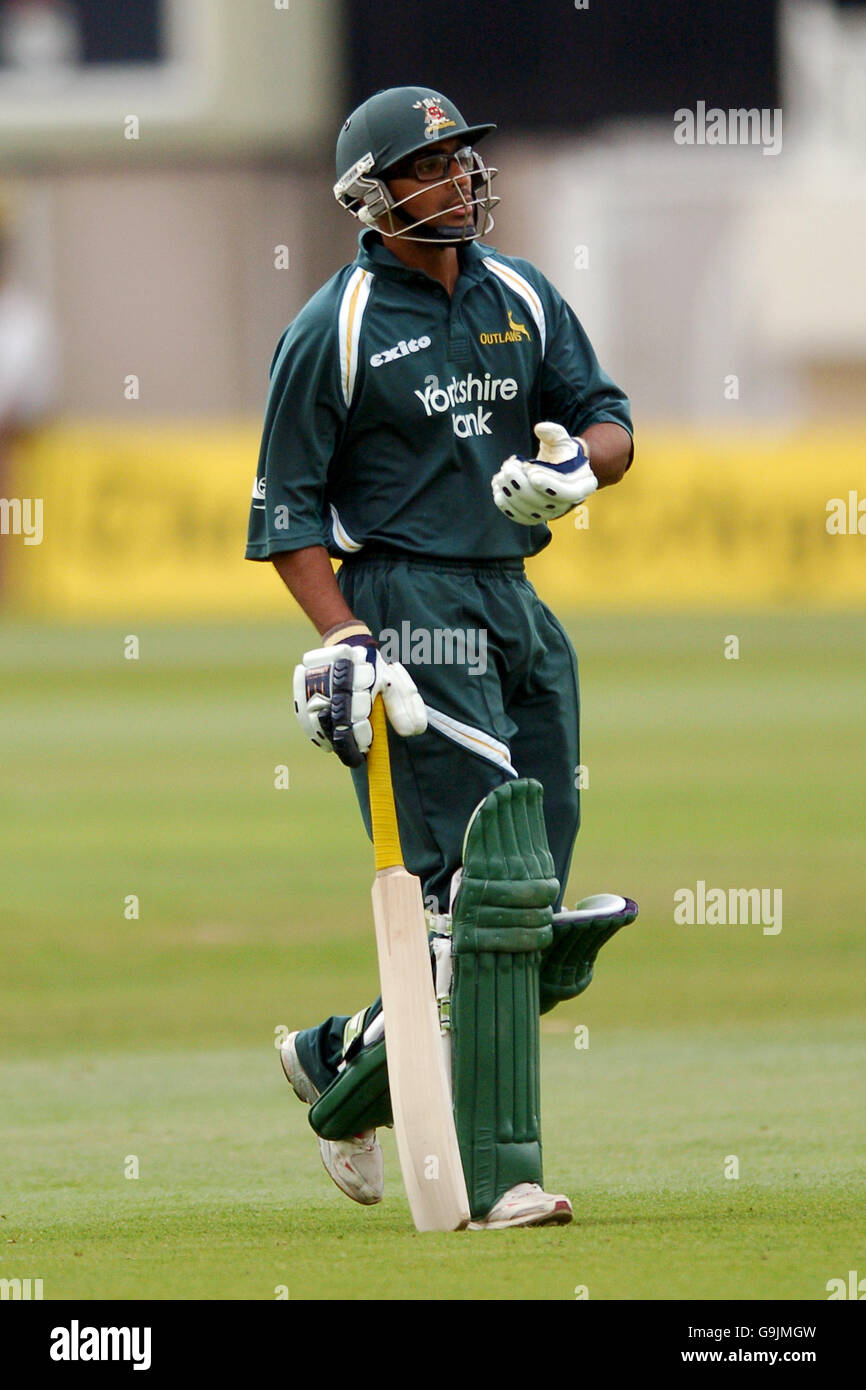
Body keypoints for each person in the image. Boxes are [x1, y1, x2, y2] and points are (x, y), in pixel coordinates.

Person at [246, 87, 636, 1229]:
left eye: (465, 158)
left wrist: (577, 473)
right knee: (491, 893)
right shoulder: (336, 326)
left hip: (516, 599)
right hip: (407, 602)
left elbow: (605, 416)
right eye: (433, 166)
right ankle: (498, 1173)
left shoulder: (519, 291)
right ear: (373, 194)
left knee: (529, 913)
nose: (462, 179)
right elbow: (287, 516)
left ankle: (340, 1062)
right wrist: (347, 640)